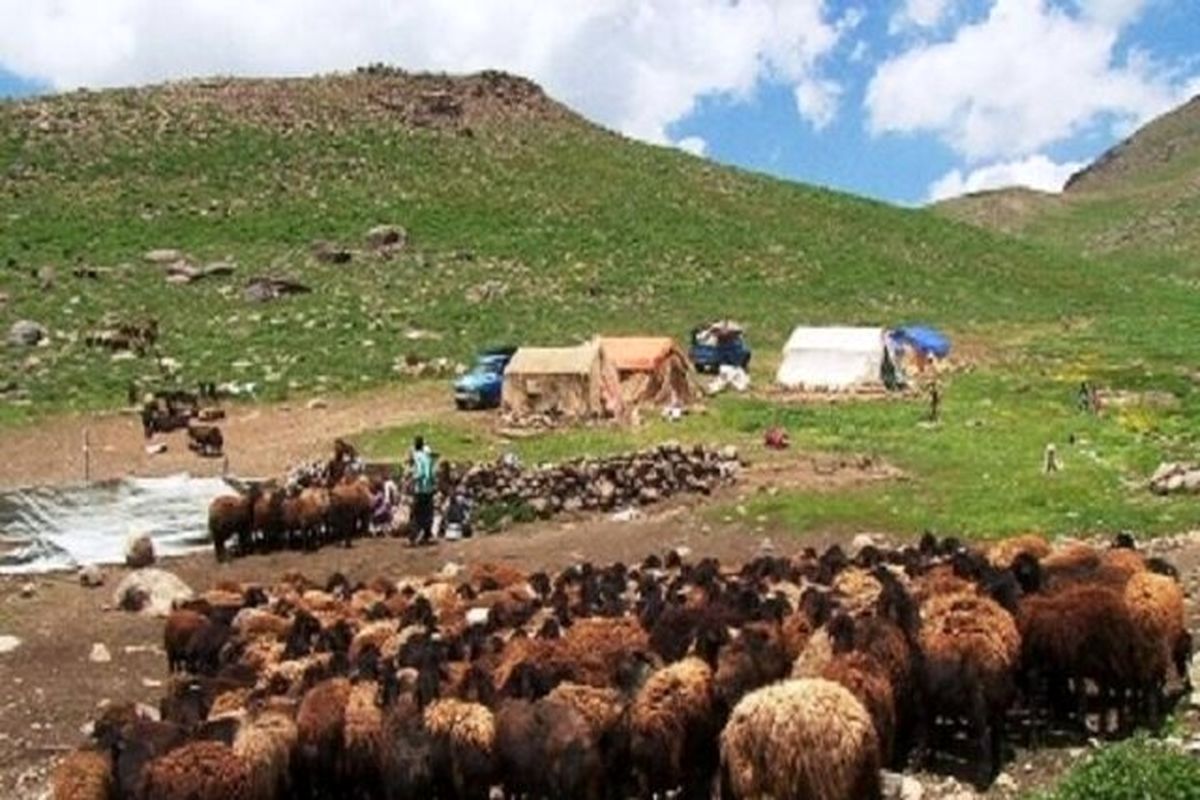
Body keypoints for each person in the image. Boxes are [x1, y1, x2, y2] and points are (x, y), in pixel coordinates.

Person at [410, 436, 437, 545]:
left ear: (416, 445)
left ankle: (413, 537)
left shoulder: (417, 456)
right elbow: (431, 473)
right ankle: (426, 536)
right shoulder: (428, 457)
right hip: (429, 489)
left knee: (415, 514)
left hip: (420, 489)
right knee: (427, 513)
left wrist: (413, 479)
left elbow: (420, 473)